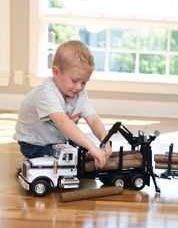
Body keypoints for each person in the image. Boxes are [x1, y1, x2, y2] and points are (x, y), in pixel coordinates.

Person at [14, 40, 112, 169]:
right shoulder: (46, 93)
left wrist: (105, 140)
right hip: (35, 144)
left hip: (58, 141)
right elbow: (62, 122)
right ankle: (31, 164)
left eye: (84, 82)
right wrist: (92, 147)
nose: (79, 87)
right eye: (75, 80)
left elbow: (93, 119)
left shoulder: (80, 94)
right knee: (74, 160)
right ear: (56, 72)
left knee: (81, 154)